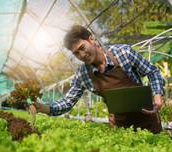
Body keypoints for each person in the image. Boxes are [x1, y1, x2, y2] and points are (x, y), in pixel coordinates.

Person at [33, 25, 163, 134]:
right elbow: (67, 102)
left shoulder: (123, 53)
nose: (82, 55)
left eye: (82, 48)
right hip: (120, 126)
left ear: (91, 39)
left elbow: (152, 72)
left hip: (148, 118)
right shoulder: (83, 75)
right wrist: (42, 107)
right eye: (76, 53)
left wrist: (157, 100)